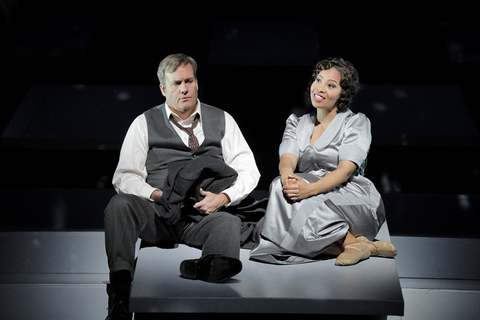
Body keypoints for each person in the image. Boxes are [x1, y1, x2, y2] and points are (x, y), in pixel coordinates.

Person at [104, 53, 261, 320]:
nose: (184, 89)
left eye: (189, 81)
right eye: (176, 83)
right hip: (158, 214)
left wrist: (223, 197)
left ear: (197, 82)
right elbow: (125, 176)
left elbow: (249, 170)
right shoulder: (144, 122)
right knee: (119, 205)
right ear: (164, 89)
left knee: (228, 224)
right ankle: (120, 293)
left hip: (200, 216)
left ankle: (205, 269)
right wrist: (155, 194)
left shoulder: (222, 119)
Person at [249, 56, 397, 266]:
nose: (319, 88)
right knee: (276, 186)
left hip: (350, 193)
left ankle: (349, 240)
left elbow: (345, 171)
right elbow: (288, 157)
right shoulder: (297, 123)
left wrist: (310, 190)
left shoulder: (355, 122)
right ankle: (360, 246)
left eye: (331, 85)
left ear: (342, 93)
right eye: (318, 80)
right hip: (308, 188)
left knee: (288, 216)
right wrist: (287, 177)